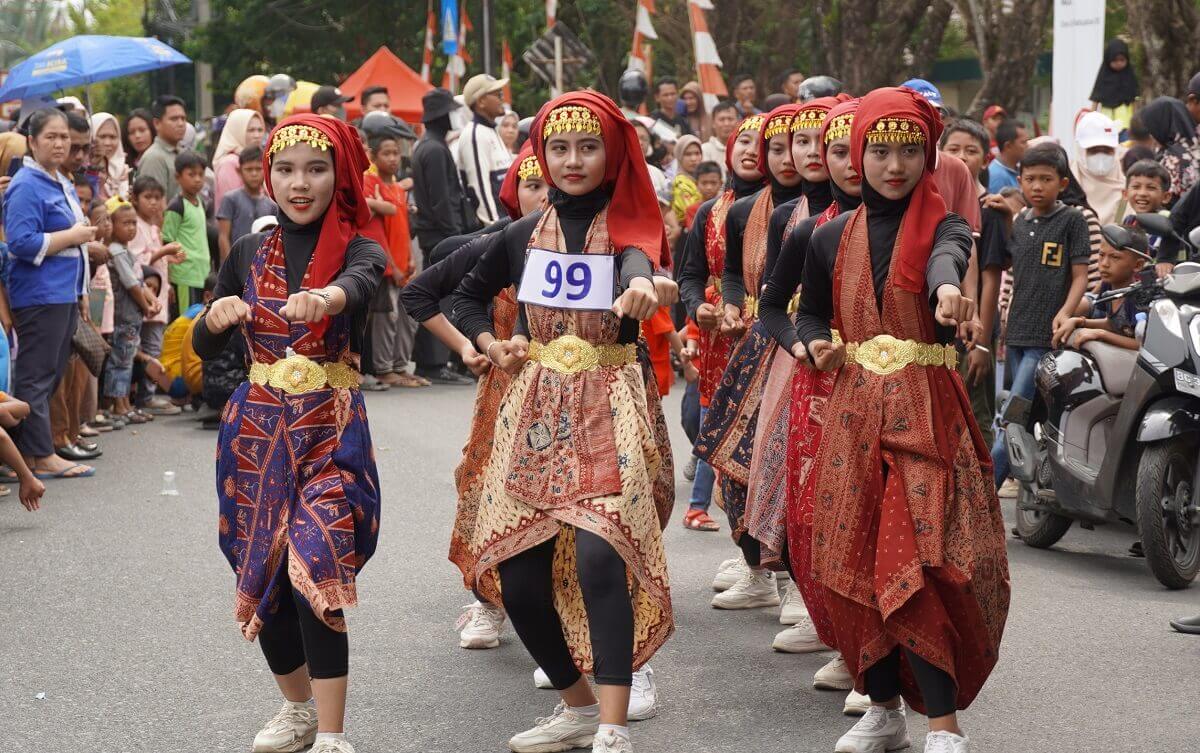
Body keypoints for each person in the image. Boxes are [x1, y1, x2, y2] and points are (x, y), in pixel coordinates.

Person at [450, 91, 672, 753]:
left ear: (612, 154)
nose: (573, 160)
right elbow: (456, 293)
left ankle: (612, 724)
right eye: (559, 147)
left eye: (588, 146)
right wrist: (486, 344)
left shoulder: (631, 227)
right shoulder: (521, 235)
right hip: (537, 410)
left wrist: (644, 285)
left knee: (603, 558)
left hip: (610, 404)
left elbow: (642, 264)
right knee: (519, 579)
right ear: (540, 154)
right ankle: (576, 707)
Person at [795, 86, 1009, 753]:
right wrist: (811, 342)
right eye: (880, 151)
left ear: (927, 156)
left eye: (909, 152)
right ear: (858, 152)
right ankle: (883, 710)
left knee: (924, 561)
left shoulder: (946, 224)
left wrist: (948, 290)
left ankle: (943, 725)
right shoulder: (828, 235)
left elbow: (948, 260)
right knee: (854, 558)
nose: (893, 166)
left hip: (927, 414)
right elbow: (797, 312)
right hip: (855, 412)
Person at [192, 114, 386, 753]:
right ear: (267, 176)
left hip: (330, 434)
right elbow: (200, 340)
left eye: (316, 169)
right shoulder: (249, 251)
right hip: (255, 432)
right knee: (266, 570)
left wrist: (328, 298)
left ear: (340, 174)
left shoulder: (360, 245)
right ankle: (297, 709)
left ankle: (332, 736)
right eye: (285, 169)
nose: (299, 183)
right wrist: (215, 317)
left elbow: (360, 288)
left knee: (314, 566)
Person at [757, 98, 870, 711]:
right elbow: (776, 308)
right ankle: (841, 641)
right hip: (821, 388)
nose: (850, 163)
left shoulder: (925, 226)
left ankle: (883, 659)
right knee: (817, 517)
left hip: (902, 394)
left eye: (861, 149)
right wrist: (805, 344)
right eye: (836, 150)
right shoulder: (808, 230)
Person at [693, 103, 805, 609]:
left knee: (794, 468)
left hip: (804, 349)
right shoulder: (737, 211)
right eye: (774, 148)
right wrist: (728, 305)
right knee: (733, 460)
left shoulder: (824, 213)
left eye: (796, 145)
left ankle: (800, 589)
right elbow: (730, 274)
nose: (785, 158)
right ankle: (758, 567)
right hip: (746, 344)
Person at [676, 114, 766, 534]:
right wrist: (697, 309)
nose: (751, 149)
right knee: (711, 423)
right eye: (744, 140)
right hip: (717, 339)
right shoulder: (710, 212)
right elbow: (690, 275)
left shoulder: (791, 211)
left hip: (772, 336)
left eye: (762, 142)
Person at [2, 108, 97, 480]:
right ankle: (39, 454)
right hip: (40, 294)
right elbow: (21, 243)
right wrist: (71, 237)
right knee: (36, 375)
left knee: (50, 373)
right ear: (32, 141)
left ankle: (30, 450)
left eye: (64, 137)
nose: (60, 144)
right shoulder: (27, 184)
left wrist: (82, 288)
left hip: (64, 291)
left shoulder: (60, 180)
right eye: (51, 137)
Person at [992, 142, 1092, 487]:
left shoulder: (1072, 220)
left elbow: (1080, 276)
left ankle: (981, 495)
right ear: (1020, 180)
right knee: (1018, 415)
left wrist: (1065, 313)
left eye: (1046, 179)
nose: (1037, 186)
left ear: (1062, 183)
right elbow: (1010, 264)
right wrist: (1005, 217)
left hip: (1044, 337)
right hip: (1016, 331)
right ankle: (1023, 493)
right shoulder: (1020, 221)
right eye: (1030, 179)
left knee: (1012, 417)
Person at [940, 119, 1005, 447]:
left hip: (974, 330)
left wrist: (982, 343)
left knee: (975, 415)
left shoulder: (990, 209)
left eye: (971, 151)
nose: (962, 157)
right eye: (953, 149)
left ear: (986, 158)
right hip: (941, 326)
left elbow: (991, 276)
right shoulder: (936, 203)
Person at [411, 87, 476, 386]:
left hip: (435, 232)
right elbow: (441, 200)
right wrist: (454, 236)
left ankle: (434, 361)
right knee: (440, 295)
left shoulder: (429, 146)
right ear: (440, 116)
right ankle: (433, 362)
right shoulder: (434, 149)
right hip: (441, 233)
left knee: (437, 292)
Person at [362, 124, 422, 388]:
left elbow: (403, 229)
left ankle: (400, 365)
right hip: (388, 267)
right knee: (387, 318)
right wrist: (393, 265)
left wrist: (409, 260)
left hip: (404, 263)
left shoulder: (398, 189)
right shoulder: (371, 185)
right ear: (374, 157)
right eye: (386, 153)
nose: (393, 158)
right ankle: (384, 369)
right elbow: (378, 233)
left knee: (408, 317)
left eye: (396, 153)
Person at [128, 175, 186, 415]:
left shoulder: (153, 227)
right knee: (145, 347)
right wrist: (164, 251)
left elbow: (156, 262)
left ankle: (146, 395)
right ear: (135, 199)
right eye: (147, 197)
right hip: (142, 298)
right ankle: (144, 396)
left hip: (158, 297)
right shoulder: (134, 226)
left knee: (153, 346)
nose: (153, 203)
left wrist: (169, 280)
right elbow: (137, 263)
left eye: (157, 198)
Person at [103, 197, 162, 421]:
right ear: (112, 225)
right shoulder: (117, 251)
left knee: (126, 359)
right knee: (120, 360)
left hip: (132, 317)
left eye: (133, 223)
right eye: (125, 223)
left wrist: (152, 300)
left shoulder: (127, 251)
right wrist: (146, 306)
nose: (131, 228)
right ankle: (119, 405)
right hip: (123, 317)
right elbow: (131, 285)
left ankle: (125, 402)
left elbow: (141, 282)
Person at [1054, 224, 1149, 352]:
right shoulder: (1108, 285)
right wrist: (1079, 322)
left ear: (1138, 265)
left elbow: (1143, 345)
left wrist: (1101, 334)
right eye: (1101, 255)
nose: (1104, 264)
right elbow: (1112, 324)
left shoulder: (1139, 297)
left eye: (1115, 257)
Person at [457, 73, 514, 227]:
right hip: (496, 228)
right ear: (481, 101)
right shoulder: (475, 135)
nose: (502, 98)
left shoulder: (490, 130)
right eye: (498, 94)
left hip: (507, 222)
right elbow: (479, 188)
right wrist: (494, 228)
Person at [162, 151, 211, 314]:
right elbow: (167, 240)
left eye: (200, 174)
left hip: (201, 271)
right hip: (184, 273)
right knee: (186, 320)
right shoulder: (176, 206)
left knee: (199, 319)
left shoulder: (201, 203)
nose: (197, 179)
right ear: (178, 177)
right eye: (191, 174)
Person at [217, 145, 278, 261]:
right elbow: (223, 237)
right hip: (237, 261)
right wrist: (228, 266)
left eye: (258, 169)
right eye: (249, 169)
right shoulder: (230, 199)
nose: (254, 174)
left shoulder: (271, 205)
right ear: (239, 171)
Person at [1122, 159, 1180, 273]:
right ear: (1125, 194)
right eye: (1136, 187)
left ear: (1166, 197)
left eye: (1151, 188)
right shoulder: (1129, 221)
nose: (1142, 193)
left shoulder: (1169, 223)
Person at [1140, 96, 1199, 205]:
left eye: (1152, 129)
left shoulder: (1172, 159)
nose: (1151, 135)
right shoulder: (1194, 147)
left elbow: (1161, 202)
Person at [1072, 111, 1125, 224]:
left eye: (1107, 150)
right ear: (1081, 151)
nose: (1101, 156)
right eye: (1093, 150)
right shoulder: (1066, 188)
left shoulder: (1127, 193)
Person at [137, 95, 190, 202]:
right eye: (174, 119)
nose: (181, 124)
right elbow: (153, 206)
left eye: (183, 118)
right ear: (157, 124)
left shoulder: (184, 153)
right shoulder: (154, 158)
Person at [212, 108, 267, 209]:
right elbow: (233, 207)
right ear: (237, 131)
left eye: (260, 130)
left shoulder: (258, 159)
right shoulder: (229, 163)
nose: (257, 135)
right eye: (251, 130)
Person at [1090, 39, 1138, 134]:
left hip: (1126, 125)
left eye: (1122, 60)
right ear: (1108, 59)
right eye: (1115, 60)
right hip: (1105, 124)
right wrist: (1091, 120)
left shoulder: (1129, 76)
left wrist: (1135, 122)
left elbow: (1134, 100)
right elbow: (1095, 99)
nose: (1119, 63)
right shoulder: (1103, 76)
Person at [87, 113, 130, 201]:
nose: (108, 143)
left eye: (113, 137)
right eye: (102, 137)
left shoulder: (125, 170)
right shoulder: (84, 169)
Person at [669, 135, 703, 225]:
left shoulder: (702, 179)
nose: (693, 159)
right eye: (688, 154)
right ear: (679, 157)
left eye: (697, 153)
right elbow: (692, 213)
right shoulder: (680, 183)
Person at [986, 118, 1027, 193]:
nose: (1027, 145)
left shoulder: (1017, 168)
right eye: (1023, 142)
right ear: (1008, 146)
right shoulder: (997, 176)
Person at [702, 102, 739, 176]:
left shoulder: (743, 149)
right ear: (713, 123)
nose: (726, 124)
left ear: (737, 122)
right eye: (722, 120)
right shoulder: (704, 150)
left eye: (730, 119)